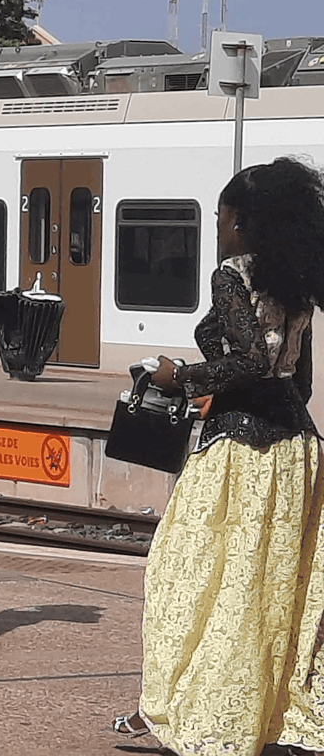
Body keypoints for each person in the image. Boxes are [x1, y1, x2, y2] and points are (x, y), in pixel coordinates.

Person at [113, 158, 324, 755]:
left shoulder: (232, 274)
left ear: (243, 223)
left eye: (220, 218)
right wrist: (224, 389)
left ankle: (192, 710)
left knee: (189, 575)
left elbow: (251, 360)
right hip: (297, 449)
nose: (218, 230)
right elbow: (297, 381)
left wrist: (180, 376)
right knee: (272, 587)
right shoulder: (297, 281)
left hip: (239, 452)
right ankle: (267, 715)